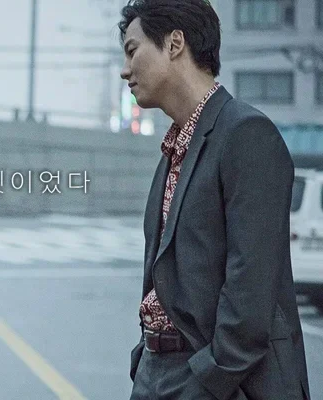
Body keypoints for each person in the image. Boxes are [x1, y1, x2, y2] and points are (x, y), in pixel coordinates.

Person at [117, 1, 310, 399]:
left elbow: (250, 289)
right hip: (157, 371)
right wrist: (145, 356)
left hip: (216, 380)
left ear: (174, 44)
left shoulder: (246, 135)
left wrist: (206, 380)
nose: (125, 69)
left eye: (132, 51)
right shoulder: (174, 149)